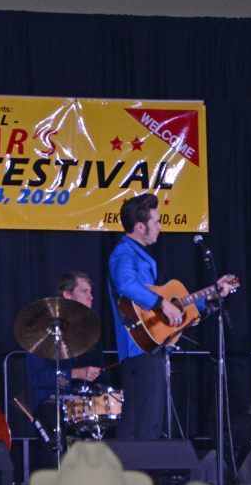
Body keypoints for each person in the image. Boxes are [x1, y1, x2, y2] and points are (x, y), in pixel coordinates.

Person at [108, 193, 232, 440]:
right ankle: (141, 465)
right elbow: (126, 284)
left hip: (147, 347)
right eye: (156, 222)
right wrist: (161, 303)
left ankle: (129, 464)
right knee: (146, 425)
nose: (160, 227)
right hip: (140, 348)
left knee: (138, 422)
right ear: (140, 227)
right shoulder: (124, 253)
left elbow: (173, 302)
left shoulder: (139, 254)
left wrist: (210, 295)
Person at [25, 271, 106, 452]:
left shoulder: (90, 332)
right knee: (56, 430)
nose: (91, 297)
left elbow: (102, 374)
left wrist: (101, 385)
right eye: (84, 291)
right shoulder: (41, 331)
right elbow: (38, 377)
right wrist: (75, 374)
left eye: (91, 292)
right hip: (52, 403)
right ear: (67, 295)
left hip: (85, 405)